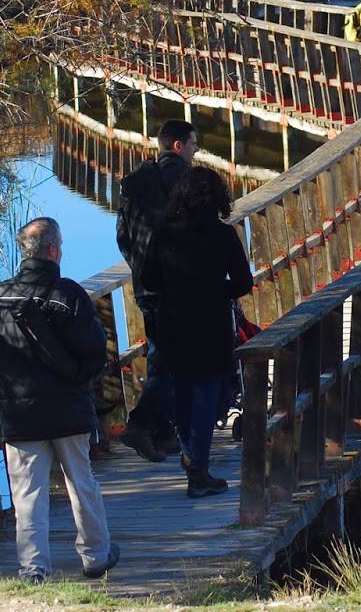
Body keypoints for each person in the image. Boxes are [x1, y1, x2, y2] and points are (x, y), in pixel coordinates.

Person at [0, 217, 120, 583]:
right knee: (81, 484)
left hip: (20, 414)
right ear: (54, 250)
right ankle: (96, 556)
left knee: (27, 494)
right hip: (69, 411)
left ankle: (34, 568)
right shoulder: (68, 295)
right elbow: (93, 350)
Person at [142, 166, 255, 499]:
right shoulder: (222, 234)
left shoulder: (163, 234)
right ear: (218, 196)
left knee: (182, 393)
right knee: (207, 396)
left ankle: (191, 452)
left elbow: (149, 280)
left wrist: (175, 287)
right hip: (211, 324)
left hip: (173, 322)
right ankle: (198, 472)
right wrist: (219, 290)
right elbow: (244, 283)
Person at [114, 118, 198, 463]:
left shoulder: (135, 184)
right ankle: (140, 424)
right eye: (193, 144)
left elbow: (122, 237)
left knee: (161, 355)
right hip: (176, 288)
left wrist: (140, 267)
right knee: (169, 361)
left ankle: (163, 433)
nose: (196, 151)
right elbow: (193, 234)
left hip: (145, 286)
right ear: (177, 146)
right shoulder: (184, 181)